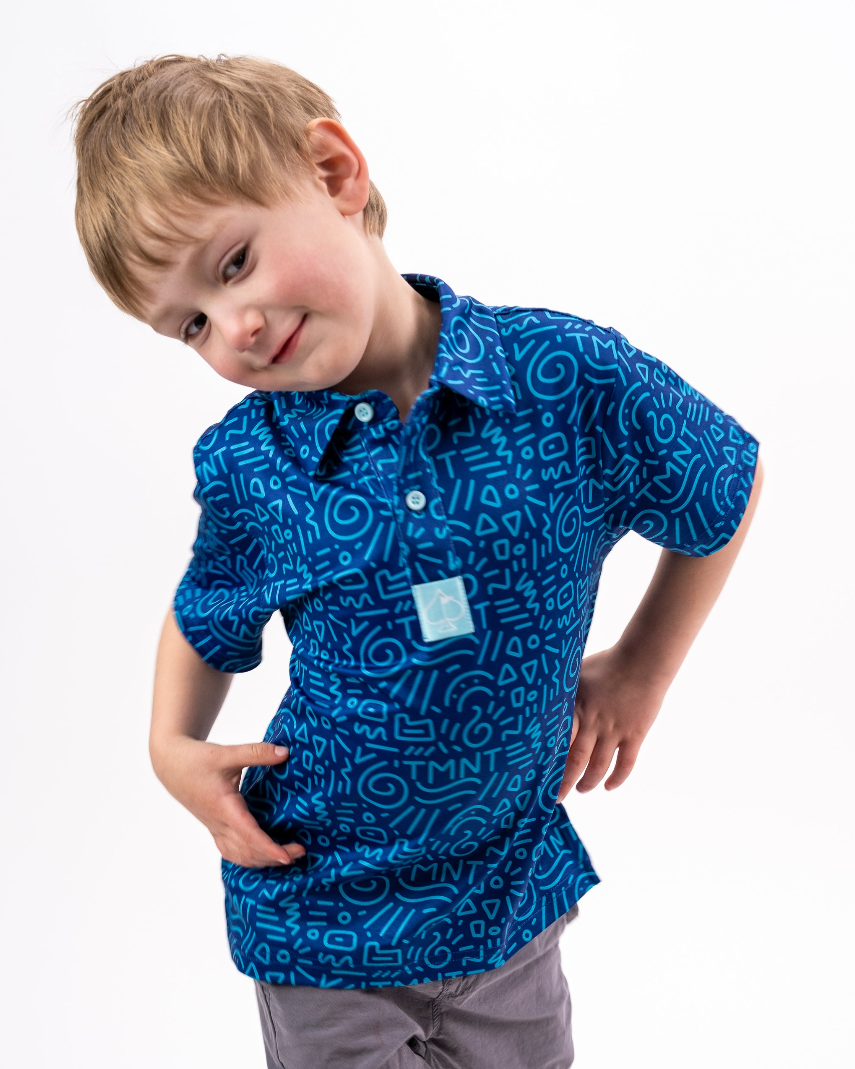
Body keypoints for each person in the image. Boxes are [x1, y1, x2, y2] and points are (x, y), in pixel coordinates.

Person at [72, 54, 762, 1069]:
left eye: (231, 267)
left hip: (505, 899)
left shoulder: (563, 377)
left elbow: (723, 485)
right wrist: (170, 746)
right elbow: (205, 613)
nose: (236, 330)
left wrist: (640, 670)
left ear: (334, 171)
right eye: (192, 327)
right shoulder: (251, 462)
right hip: (322, 915)